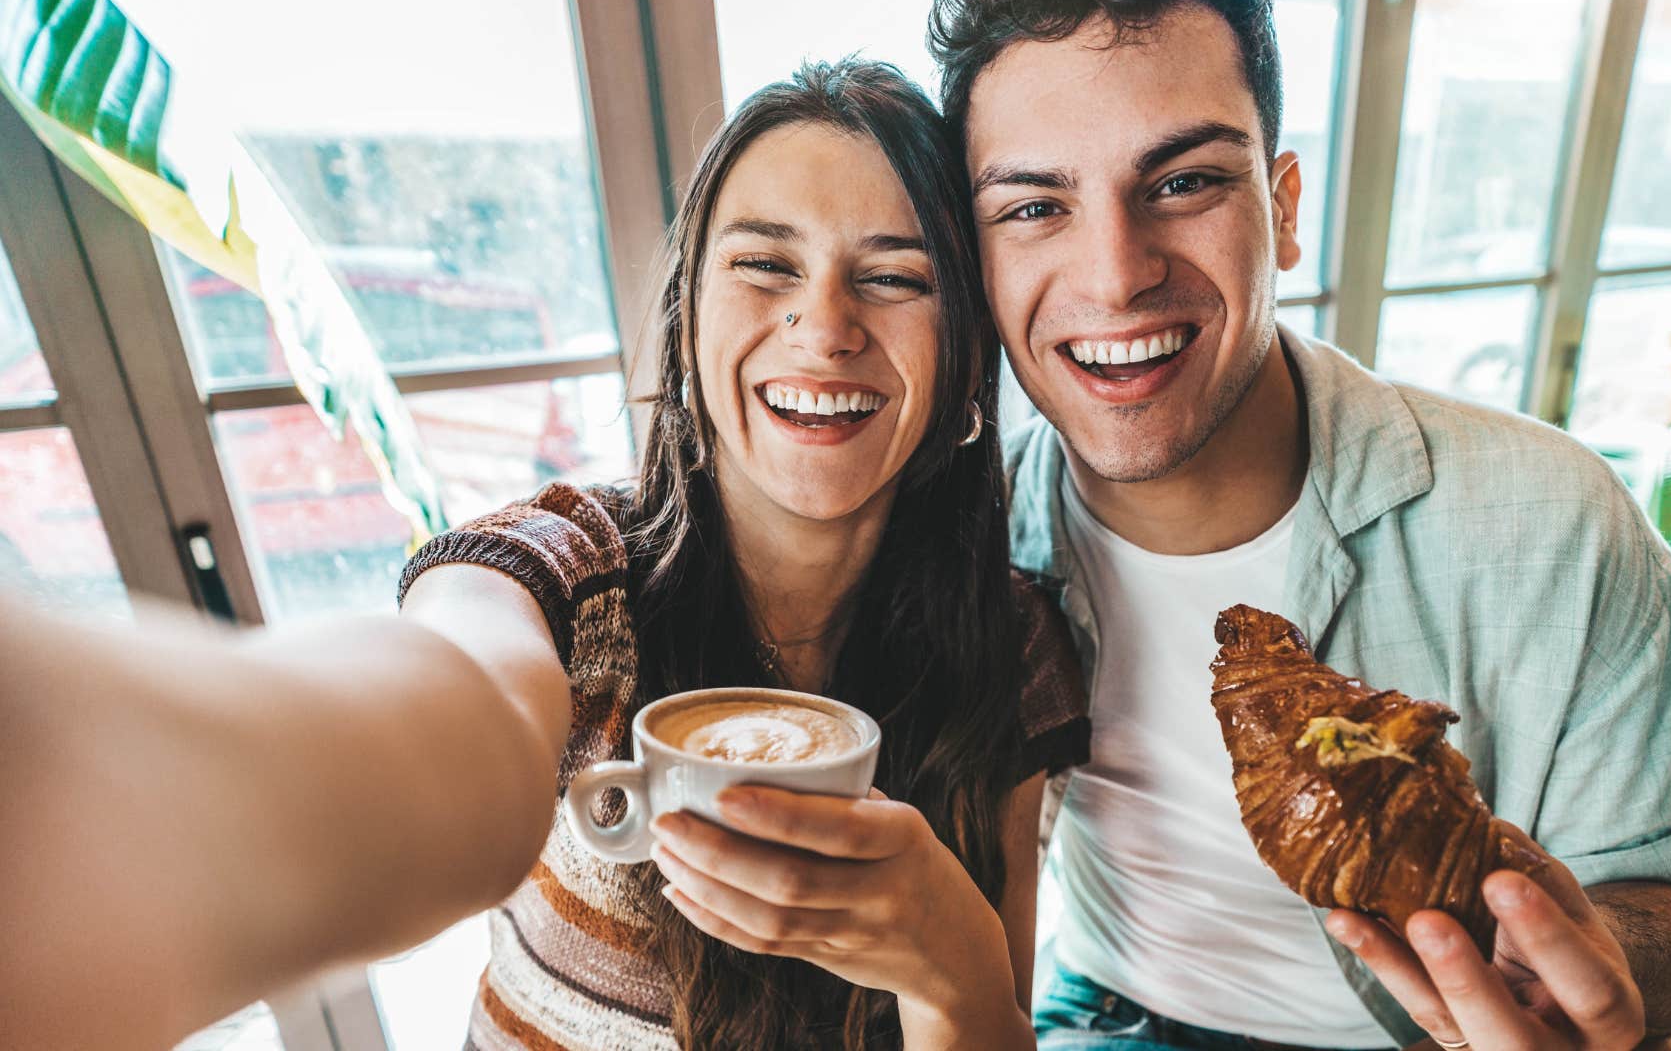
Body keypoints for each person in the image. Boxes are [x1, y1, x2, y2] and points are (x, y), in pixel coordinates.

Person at [0, 59, 1087, 1051]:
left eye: (895, 279)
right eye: (764, 265)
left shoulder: (1015, 648)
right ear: (687, 320)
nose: (823, 325)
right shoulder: (569, 574)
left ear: (966, 365)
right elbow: (463, 706)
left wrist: (953, 970)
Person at [927, 0, 1671, 1048]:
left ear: (1282, 210)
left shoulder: (1558, 524)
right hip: (1097, 1012)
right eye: (1036, 207)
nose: (1117, 274)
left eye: (1182, 183)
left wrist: (1570, 957)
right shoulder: (967, 534)